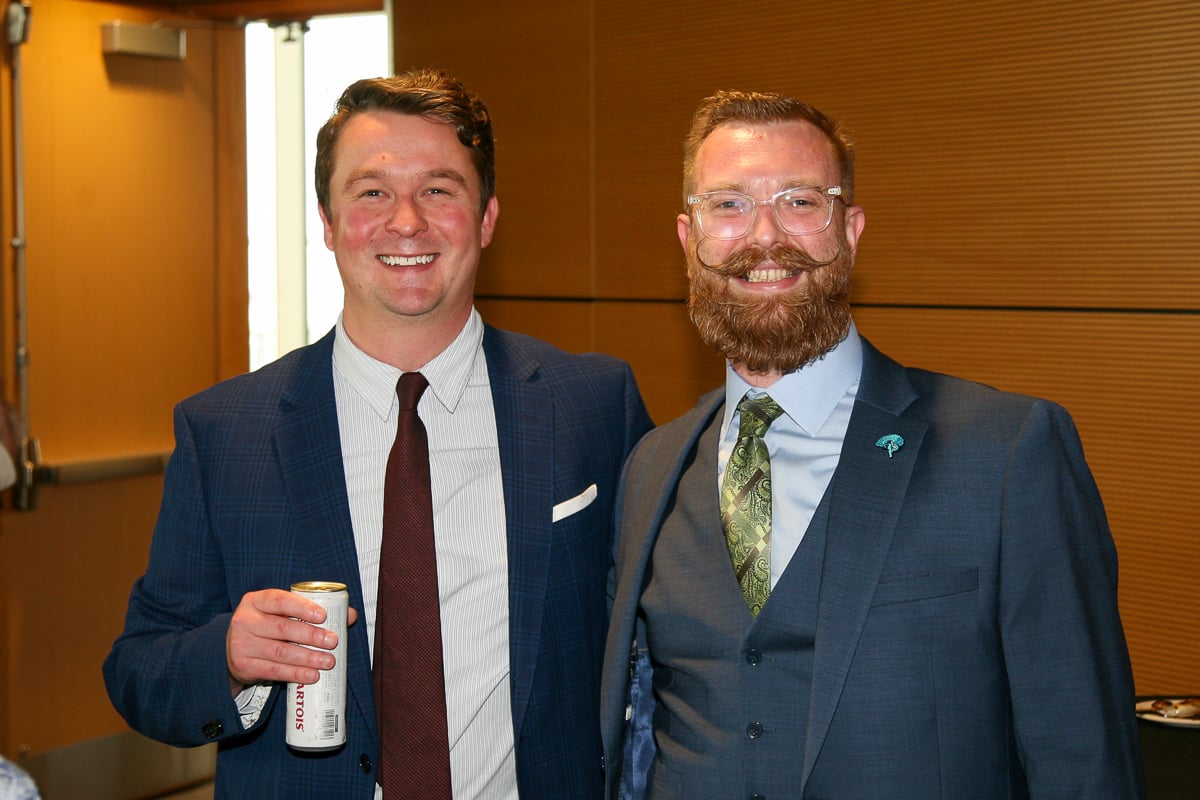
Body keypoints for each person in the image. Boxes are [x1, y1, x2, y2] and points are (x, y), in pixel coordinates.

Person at [104, 68, 653, 799]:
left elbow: (667, 637)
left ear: (487, 217)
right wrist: (228, 658)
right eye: (371, 193)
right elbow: (139, 669)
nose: (406, 222)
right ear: (328, 223)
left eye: (439, 189)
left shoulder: (593, 406)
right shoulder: (224, 432)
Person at [600, 90, 1144, 799]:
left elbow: (1085, 756)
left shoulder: (1008, 452)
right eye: (728, 205)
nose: (764, 236)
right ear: (688, 238)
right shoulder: (652, 467)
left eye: (800, 201)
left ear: (850, 231)